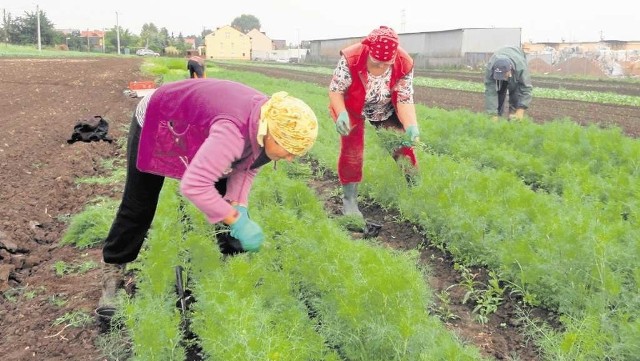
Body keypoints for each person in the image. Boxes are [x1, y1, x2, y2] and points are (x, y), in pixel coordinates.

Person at [97, 78, 319, 316]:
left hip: (203, 125)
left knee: (227, 188)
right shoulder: (232, 133)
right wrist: (237, 220)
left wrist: (239, 204)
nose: (289, 158)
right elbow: (194, 186)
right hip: (160, 116)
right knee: (140, 201)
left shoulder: (266, 123)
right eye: (289, 149)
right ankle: (114, 268)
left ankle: (236, 261)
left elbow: (248, 166)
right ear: (270, 133)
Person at [328, 25, 420, 217]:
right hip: (353, 108)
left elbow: (404, 98)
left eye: (387, 64)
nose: (381, 67)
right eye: (377, 62)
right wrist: (341, 113)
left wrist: (411, 125)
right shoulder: (351, 58)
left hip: (384, 108)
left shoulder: (404, 63)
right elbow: (336, 90)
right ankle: (350, 201)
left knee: (402, 146)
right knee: (352, 151)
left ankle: (417, 192)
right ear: (369, 51)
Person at [484, 46, 533, 120]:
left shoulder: (520, 67)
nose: (502, 78)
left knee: (515, 94)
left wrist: (521, 109)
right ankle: (497, 118)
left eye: (504, 75)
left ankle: (513, 119)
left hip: (517, 60)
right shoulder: (491, 67)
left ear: (509, 69)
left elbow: (526, 88)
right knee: (499, 91)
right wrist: (492, 113)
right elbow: (491, 91)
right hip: (502, 59)